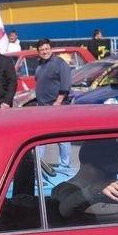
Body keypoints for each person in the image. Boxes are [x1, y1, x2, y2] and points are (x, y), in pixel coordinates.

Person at [52, 139, 118, 218]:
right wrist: (95, 188)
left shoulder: (89, 192)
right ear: (89, 168)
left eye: (117, 171)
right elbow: (64, 209)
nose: (114, 178)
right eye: (110, 173)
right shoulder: (64, 190)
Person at [35, 38, 73, 168]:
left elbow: (66, 84)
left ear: (51, 49)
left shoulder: (60, 63)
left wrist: (58, 102)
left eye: (46, 49)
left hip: (57, 107)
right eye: (41, 50)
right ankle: (40, 166)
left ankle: (64, 165)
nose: (45, 52)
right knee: (40, 138)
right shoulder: (40, 65)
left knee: (62, 138)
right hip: (43, 108)